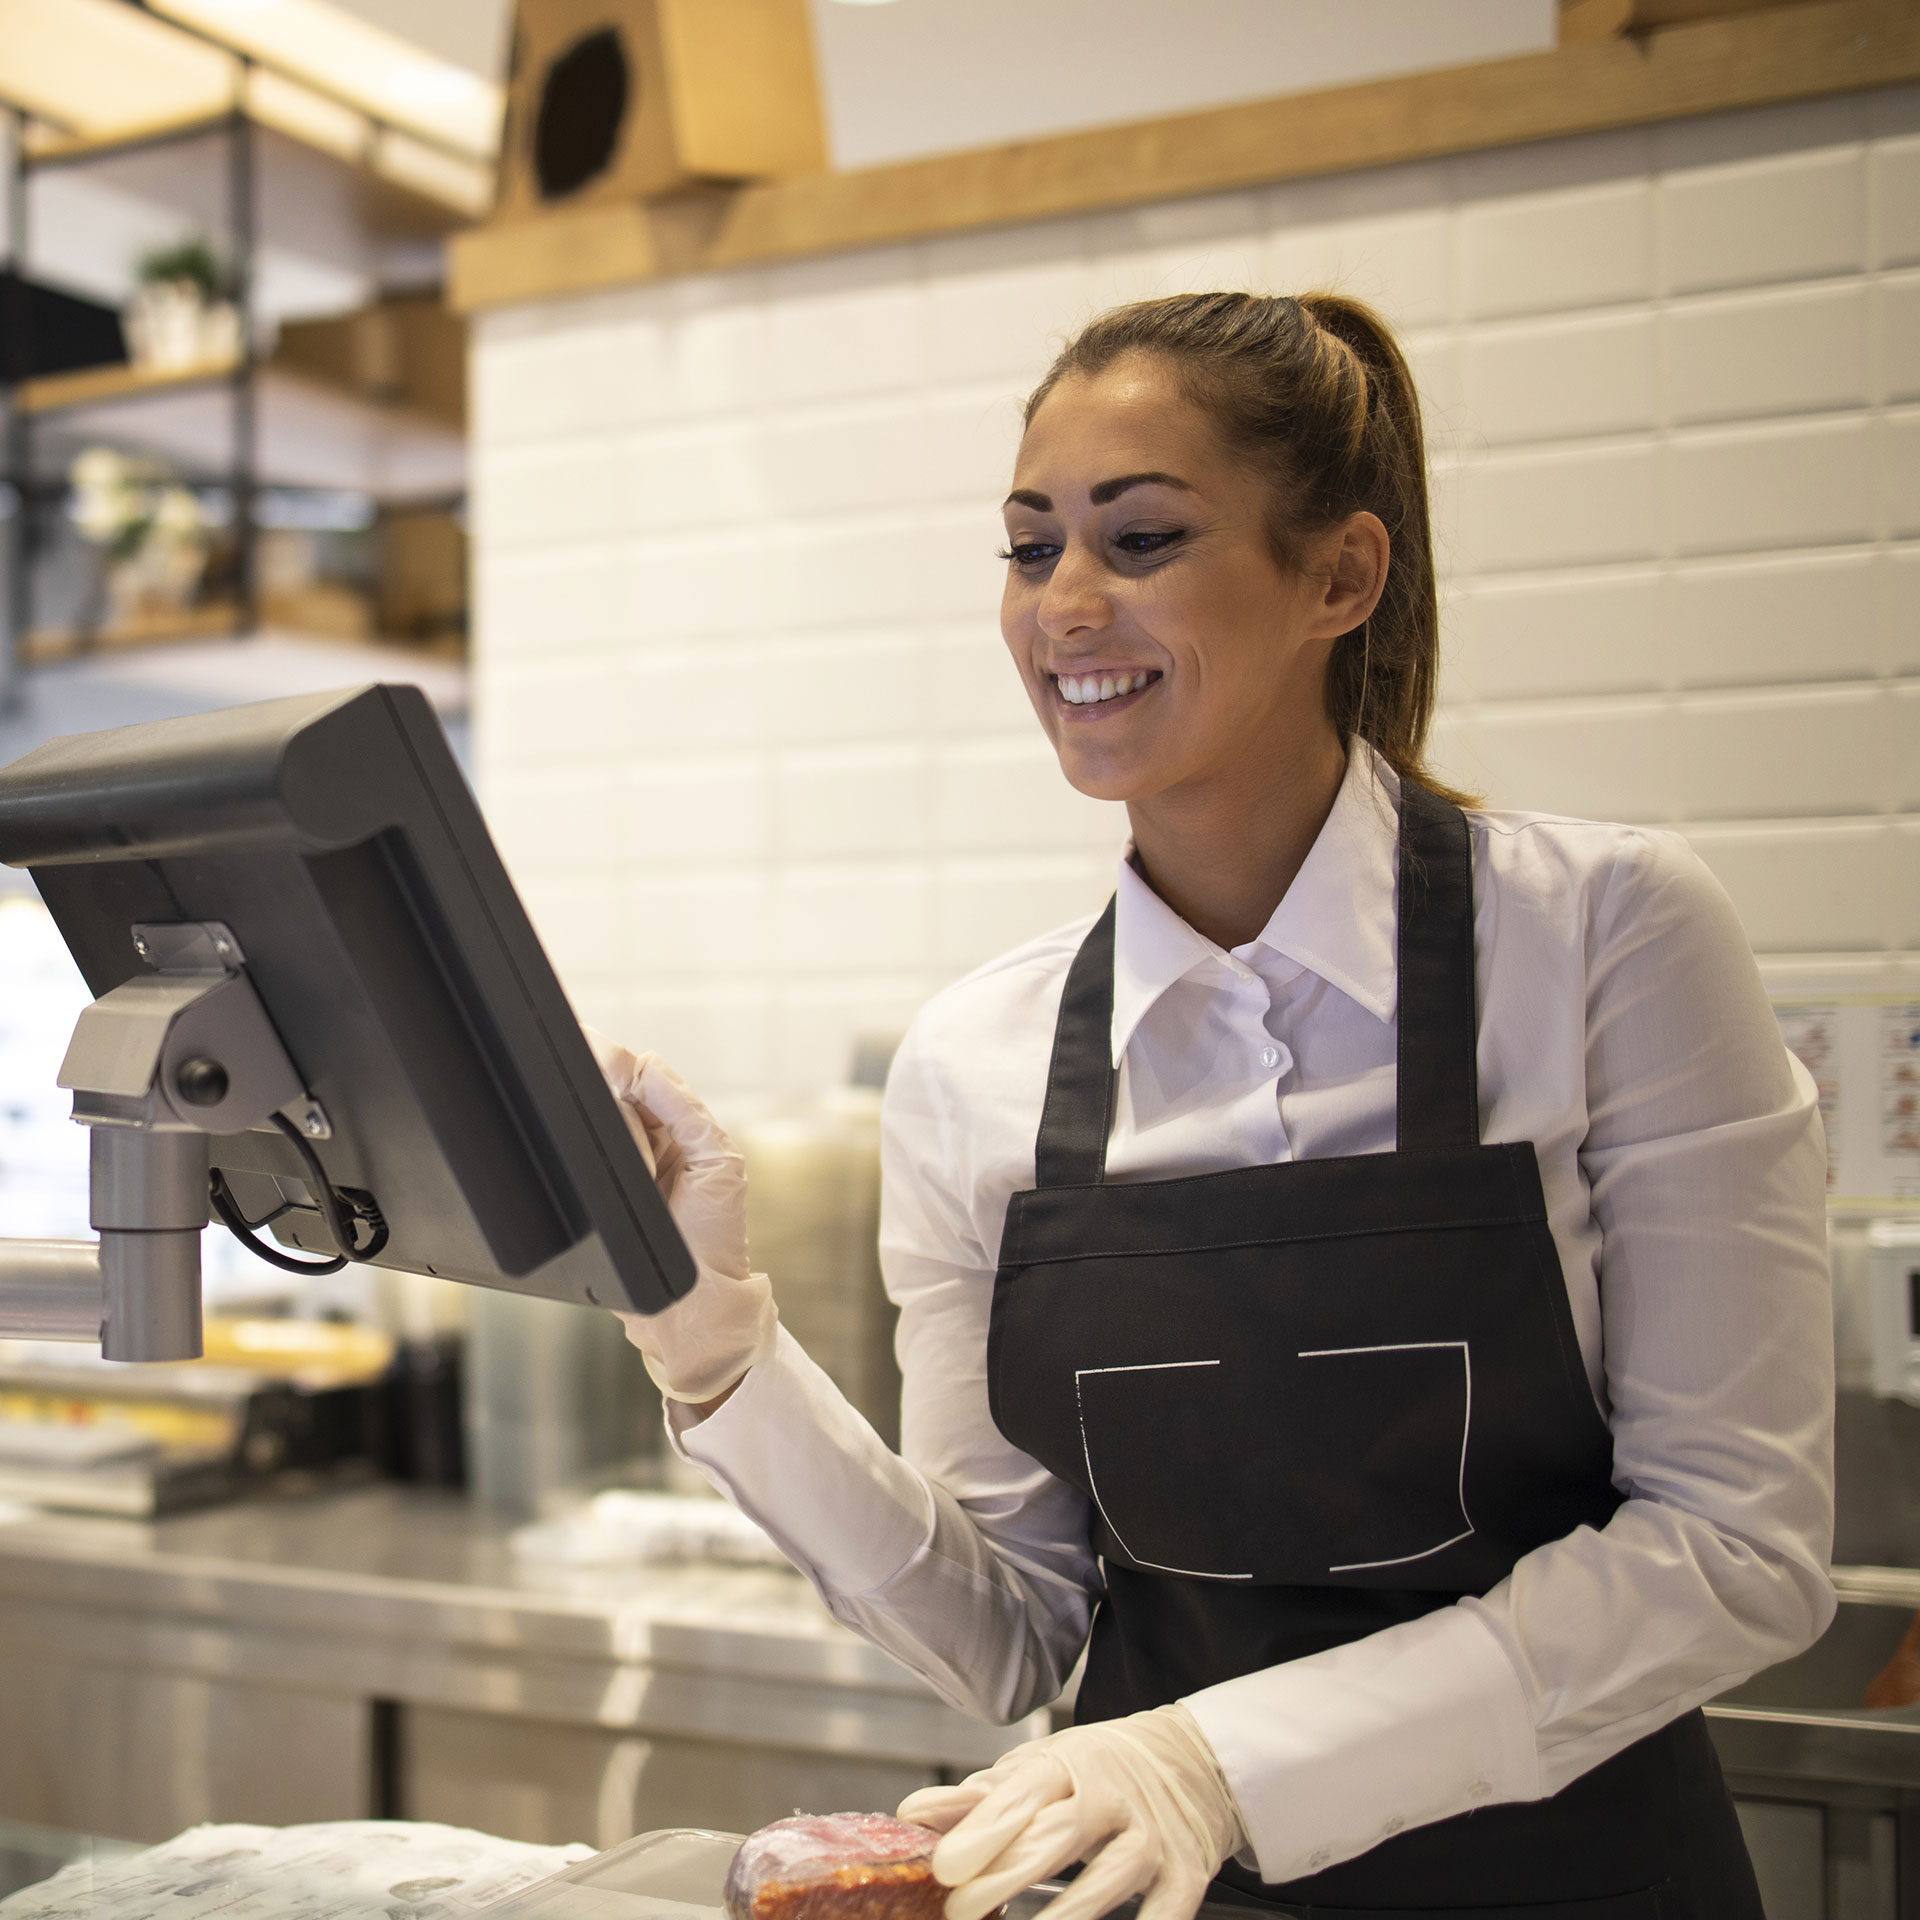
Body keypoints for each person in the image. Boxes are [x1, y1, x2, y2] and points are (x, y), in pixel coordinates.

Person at [589, 291, 1834, 1920]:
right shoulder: (978, 1063)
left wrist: (1208, 1763)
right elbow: (1011, 1630)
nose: (1066, 607)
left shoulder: (1610, 937)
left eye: (1145, 538)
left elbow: (1738, 1549)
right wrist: (718, 1349)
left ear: (1341, 575)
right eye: (1031, 551)